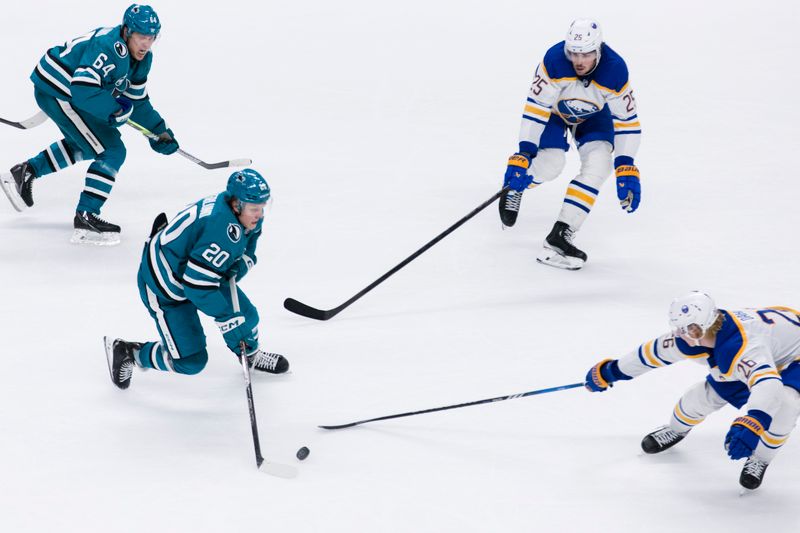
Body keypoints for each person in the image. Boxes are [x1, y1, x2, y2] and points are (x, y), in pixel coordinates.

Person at [0, 4, 178, 245]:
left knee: (87, 144)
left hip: (68, 92)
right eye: (141, 37)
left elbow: (137, 102)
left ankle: (26, 171)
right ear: (127, 31)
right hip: (59, 90)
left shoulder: (142, 58)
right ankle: (86, 215)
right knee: (111, 149)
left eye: (151, 38)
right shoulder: (110, 48)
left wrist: (159, 132)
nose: (146, 44)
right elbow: (83, 88)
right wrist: (112, 111)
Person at [584, 291, 800, 490]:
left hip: (793, 357)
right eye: (678, 328)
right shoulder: (693, 337)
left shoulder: (742, 348)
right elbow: (652, 353)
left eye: (688, 329)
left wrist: (754, 422)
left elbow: (767, 383)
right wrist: (610, 371)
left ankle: (761, 459)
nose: (681, 334)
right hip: (770, 343)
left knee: (786, 405)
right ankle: (677, 429)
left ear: (704, 326)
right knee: (699, 399)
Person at [104, 168, 289, 390]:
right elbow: (197, 286)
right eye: (254, 208)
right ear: (236, 204)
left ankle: (250, 356)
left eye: (263, 206)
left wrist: (241, 264)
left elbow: (250, 241)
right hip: (165, 288)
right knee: (191, 362)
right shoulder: (221, 229)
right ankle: (131, 353)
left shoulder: (243, 215)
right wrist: (228, 321)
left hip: (198, 272)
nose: (259, 214)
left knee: (248, 316)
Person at [501, 19, 641, 270]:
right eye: (574, 53)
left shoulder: (615, 69)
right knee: (551, 164)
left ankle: (561, 234)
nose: (579, 61)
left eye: (586, 54)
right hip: (555, 112)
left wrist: (626, 164)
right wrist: (524, 154)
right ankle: (516, 186)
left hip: (594, 114)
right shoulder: (554, 60)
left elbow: (627, 120)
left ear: (599, 50)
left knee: (600, 164)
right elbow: (536, 109)